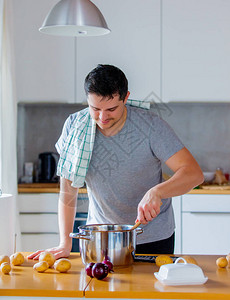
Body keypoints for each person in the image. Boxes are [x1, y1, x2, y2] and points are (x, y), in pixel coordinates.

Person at [28, 64, 203, 260]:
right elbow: (68, 189)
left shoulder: (150, 126)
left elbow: (193, 173)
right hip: (101, 237)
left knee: (150, 291)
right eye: (95, 108)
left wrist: (157, 192)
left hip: (152, 237)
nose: (102, 117)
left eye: (111, 109)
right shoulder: (74, 127)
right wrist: (65, 243)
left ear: (126, 97)